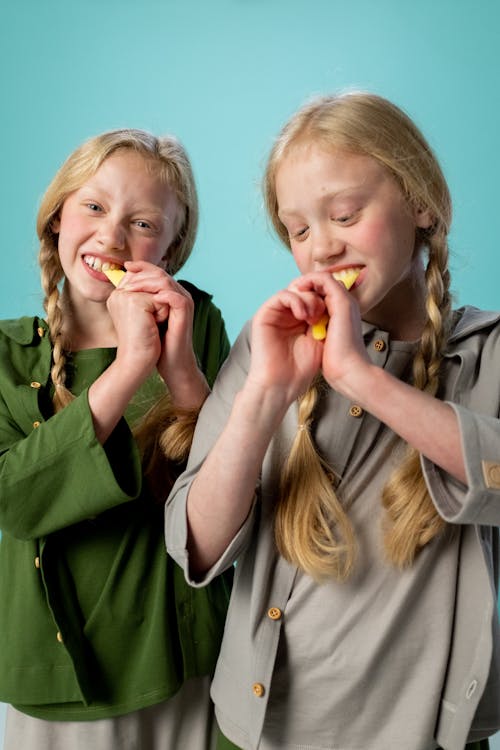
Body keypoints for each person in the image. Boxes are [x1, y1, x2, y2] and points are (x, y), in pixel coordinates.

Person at [165, 92, 500, 750]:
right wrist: (264, 393)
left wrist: (359, 377)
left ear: (420, 203)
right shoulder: (266, 353)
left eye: (344, 214)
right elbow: (194, 546)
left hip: (421, 736)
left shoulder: (485, 350)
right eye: (298, 230)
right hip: (259, 731)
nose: (321, 247)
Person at [0, 128, 232, 749]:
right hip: (59, 682)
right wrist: (132, 363)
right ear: (56, 219)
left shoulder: (200, 322)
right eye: (94, 207)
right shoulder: (6, 355)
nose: (111, 236)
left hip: (184, 661)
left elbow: (231, 492)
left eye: (144, 223)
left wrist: (179, 369)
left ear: (172, 248)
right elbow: (17, 502)